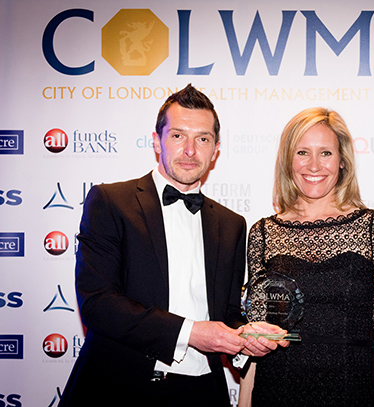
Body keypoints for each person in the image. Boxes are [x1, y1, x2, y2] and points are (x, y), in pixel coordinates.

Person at [59, 84, 285, 407]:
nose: (190, 150)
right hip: (119, 388)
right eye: (178, 136)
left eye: (203, 139)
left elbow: (227, 314)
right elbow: (98, 303)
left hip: (202, 393)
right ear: (156, 141)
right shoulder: (111, 202)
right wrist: (190, 332)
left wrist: (244, 336)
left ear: (216, 149)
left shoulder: (232, 224)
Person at [238, 107, 374, 407]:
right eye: (302, 152)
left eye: (325, 153)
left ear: (342, 161)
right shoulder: (263, 233)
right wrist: (244, 402)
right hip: (278, 390)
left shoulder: (372, 227)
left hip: (352, 389)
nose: (314, 165)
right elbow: (257, 333)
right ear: (288, 160)